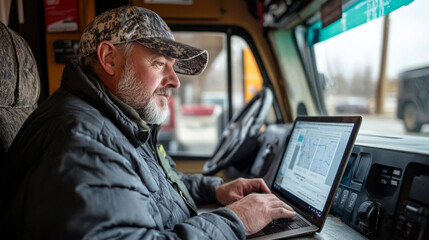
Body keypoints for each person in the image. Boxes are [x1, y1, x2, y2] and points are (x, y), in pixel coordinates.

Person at [0, 6, 295, 239]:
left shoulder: (115, 122)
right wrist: (238, 220)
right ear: (109, 59)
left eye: (173, 67)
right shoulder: (81, 142)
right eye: (159, 64)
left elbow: (145, 188)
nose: (175, 81)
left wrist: (213, 189)